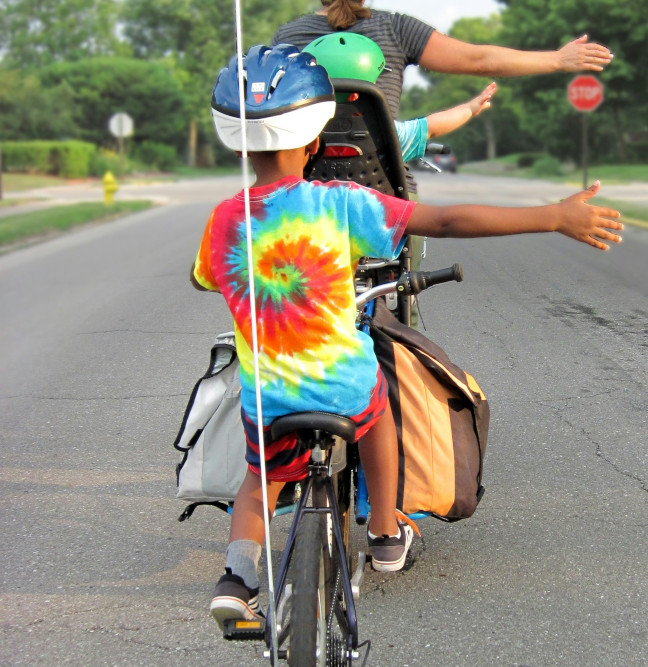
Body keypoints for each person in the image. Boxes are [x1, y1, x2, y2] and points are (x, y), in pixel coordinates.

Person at [197, 44, 622, 627]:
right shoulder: (340, 204)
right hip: (342, 387)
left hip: (267, 397)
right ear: (317, 141)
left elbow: (204, 278)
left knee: (259, 481)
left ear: (240, 143)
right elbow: (445, 220)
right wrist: (553, 215)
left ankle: (236, 580)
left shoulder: (224, 220)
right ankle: (385, 532)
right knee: (378, 419)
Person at [273, 0, 614, 120]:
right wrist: (557, 60)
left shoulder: (286, 38)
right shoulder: (394, 27)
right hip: (383, 188)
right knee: (403, 274)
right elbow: (480, 60)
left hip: (303, 185)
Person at [303, 31, 497, 163]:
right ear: (357, 94)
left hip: (309, 221)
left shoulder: (299, 133)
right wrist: (469, 109)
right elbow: (433, 127)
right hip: (378, 221)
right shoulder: (385, 132)